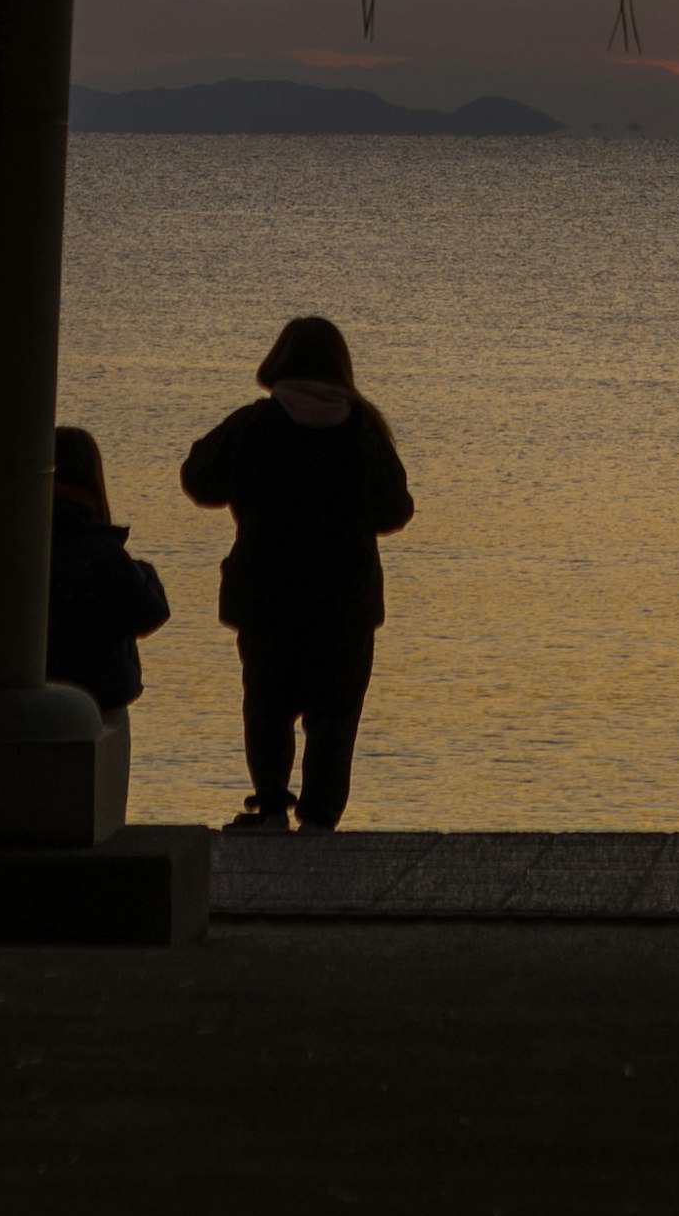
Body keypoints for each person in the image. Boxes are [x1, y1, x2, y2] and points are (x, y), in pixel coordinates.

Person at [178, 312, 414, 835]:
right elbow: (396, 510)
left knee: (268, 705)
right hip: (345, 602)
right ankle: (321, 819)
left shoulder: (254, 424)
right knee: (334, 717)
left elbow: (198, 479)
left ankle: (269, 808)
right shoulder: (365, 429)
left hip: (267, 597)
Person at [44, 423, 170, 829]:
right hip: (98, 691)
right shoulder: (104, 553)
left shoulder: (22, 545)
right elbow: (150, 611)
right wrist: (144, 571)